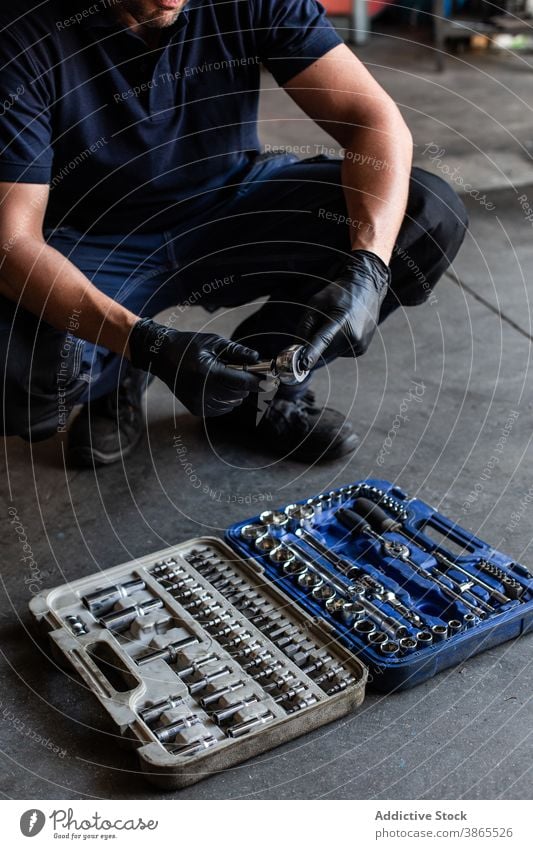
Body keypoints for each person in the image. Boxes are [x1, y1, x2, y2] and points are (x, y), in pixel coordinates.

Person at [0, 0, 467, 466]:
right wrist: (146, 345)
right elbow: (12, 243)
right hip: (95, 240)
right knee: (13, 379)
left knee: (426, 215)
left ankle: (255, 390)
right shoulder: (20, 34)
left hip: (231, 200)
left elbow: (373, 122)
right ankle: (122, 359)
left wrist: (369, 267)